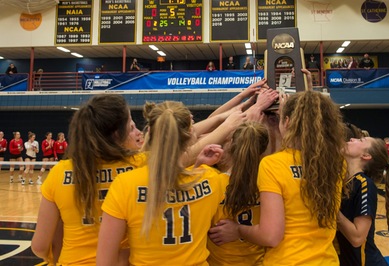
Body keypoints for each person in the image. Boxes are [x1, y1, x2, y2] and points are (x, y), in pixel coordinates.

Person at [209, 90, 346, 265]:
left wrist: (238, 230)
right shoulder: (336, 163)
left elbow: (271, 236)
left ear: (287, 122)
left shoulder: (273, 164)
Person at [97, 101, 226, 266]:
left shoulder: (125, 184)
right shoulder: (212, 179)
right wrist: (198, 167)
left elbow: (104, 262)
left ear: (149, 132)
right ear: (191, 134)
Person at [31, 94, 145, 265]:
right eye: (130, 126)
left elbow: (39, 246)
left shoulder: (59, 172)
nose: (136, 131)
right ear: (117, 133)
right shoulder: (140, 165)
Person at [207, 122, 269, 266]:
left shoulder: (212, 181)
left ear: (231, 144)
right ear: (263, 149)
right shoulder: (268, 183)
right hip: (257, 261)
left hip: (219, 262)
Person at [336, 137, 389, 265]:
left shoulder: (365, 185)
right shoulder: (341, 182)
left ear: (366, 155)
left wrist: (332, 209)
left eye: (361, 140)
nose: (352, 138)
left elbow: (357, 237)